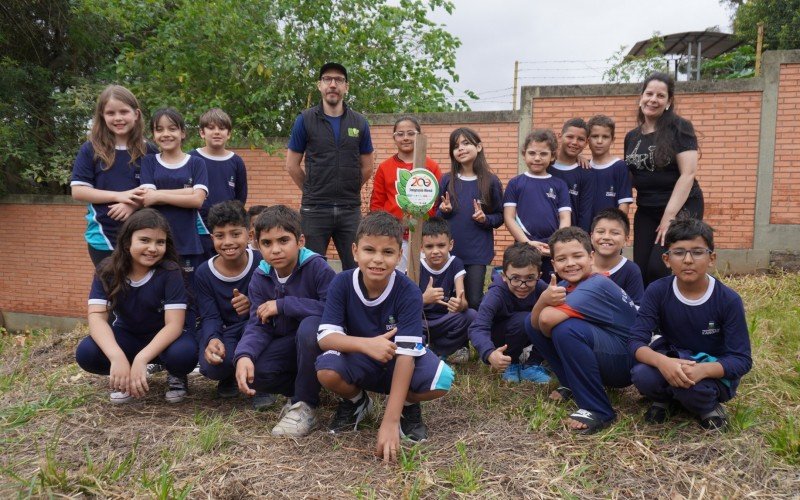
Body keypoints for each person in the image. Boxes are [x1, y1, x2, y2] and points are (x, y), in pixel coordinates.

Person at [311, 211, 454, 461]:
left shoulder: (408, 290)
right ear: (355, 251)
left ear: (399, 256)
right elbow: (326, 338)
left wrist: (389, 422)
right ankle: (357, 401)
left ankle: (406, 407)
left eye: (388, 252)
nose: (377, 260)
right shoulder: (342, 283)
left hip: (397, 361)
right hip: (361, 357)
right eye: (369, 250)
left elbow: (406, 356)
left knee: (441, 379)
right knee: (327, 368)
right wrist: (367, 344)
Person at [629, 217, 752, 430]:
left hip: (709, 370)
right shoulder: (657, 291)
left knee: (694, 391)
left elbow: (741, 360)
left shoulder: (728, 300)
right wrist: (663, 362)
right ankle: (665, 399)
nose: (687, 260)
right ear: (667, 259)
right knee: (642, 375)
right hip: (673, 360)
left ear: (711, 258)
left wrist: (703, 370)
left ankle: (707, 407)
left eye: (697, 252)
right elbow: (635, 342)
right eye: (679, 252)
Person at [75, 209, 198, 403]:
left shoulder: (170, 272)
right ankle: (123, 377)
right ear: (126, 242)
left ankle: (175, 374)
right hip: (128, 336)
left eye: (160, 242)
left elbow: (174, 325)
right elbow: (97, 318)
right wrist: (117, 357)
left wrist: (142, 359)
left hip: (164, 340)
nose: (153, 248)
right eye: (145, 240)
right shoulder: (107, 270)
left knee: (184, 354)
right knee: (87, 352)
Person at [233, 205, 336, 436]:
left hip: (321, 345)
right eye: (267, 243)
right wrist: (244, 355)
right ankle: (302, 388)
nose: (275, 250)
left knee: (310, 326)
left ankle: (304, 404)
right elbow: (257, 324)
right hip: (288, 345)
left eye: (283, 240)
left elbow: (332, 309)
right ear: (257, 245)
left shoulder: (317, 268)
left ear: (300, 241)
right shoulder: (260, 277)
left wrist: (283, 305)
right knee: (255, 370)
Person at [527, 227, 638, 434]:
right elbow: (535, 324)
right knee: (530, 321)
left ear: (591, 256)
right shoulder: (568, 283)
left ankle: (599, 410)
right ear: (553, 264)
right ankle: (571, 384)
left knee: (565, 329)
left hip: (626, 363)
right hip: (608, 350)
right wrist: (544, 306)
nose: (570, 264)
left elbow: (547, 319)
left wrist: (543, 300)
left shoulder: (595, 285)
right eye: (562, 259)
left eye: (577, 256)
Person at [285, 62, 374, 270]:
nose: (333, 84)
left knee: (356, 269)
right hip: (314, 210)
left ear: (346, 87)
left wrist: (349, 187)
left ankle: (352, 303)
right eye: (327, 79)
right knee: (309, 269)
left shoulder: (359, 122)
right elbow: (292, 165)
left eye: (339, 80)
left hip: (349, 210)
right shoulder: (304, 120)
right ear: (319, 85)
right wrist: (312, 189)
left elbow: (367, 167)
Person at [624, 72, 703, 286]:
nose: (653, 99)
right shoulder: (632, 136)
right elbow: (631, 174)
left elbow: (688, 174)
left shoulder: (680, 128)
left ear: (668, 102)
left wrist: (669, 217)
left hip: (680, 206)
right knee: (639, 269)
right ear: (641, 97)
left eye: (660, 96)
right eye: (649, 93)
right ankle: (648, 314)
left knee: (659, 267)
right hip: (647, 208)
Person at [70, 85, 157, 267]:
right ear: (102, 115)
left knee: (143, 293)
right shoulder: (90, 149)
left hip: (144, 237)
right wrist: (119, 196)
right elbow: (78, 191)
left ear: (136, 114)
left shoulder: (149, 150)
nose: (118, 118)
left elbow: (158, 190)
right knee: (113, 292)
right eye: (111, 113)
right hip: (103, 237)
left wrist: (132, 204)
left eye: (124, 111)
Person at [194, 201, 260, 399]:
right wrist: (212, 339)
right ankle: (229, 375)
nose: (228, 242)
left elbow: (274, 300)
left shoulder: (262, 262)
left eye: (235, 234)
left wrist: (252, 305)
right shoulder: (204, 273)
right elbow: (209, 315)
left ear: (249, 235)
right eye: (220, 236)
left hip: (257, 327)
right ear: (212, 238)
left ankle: (264, 382)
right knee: (213, 366)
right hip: (227, 332)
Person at [437, 127, 503, 310]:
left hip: (477, 254)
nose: (461, 149)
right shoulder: (446, 180)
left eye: (466, 143)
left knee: (474, 300)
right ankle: (454, 337)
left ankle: (475, 334)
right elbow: (434, 217)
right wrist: (444, 211)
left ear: (479, 147)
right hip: (448, 253)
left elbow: (500, 216)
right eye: (456, 146)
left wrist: (485, 219)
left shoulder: (491, 181)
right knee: (449, 301)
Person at [140, 108, 208, 284]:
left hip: (188, 243)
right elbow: (147, 198)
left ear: (182, 132)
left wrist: (159, 195)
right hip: (155, 244)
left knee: (189, 297)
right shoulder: (149, 161)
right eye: (159, 129)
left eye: (172, 128)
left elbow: (197, 200)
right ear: (153, 135)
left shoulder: (196, 163)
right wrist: (187, 192)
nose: (166, 134)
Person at [468, 243, 551, 384]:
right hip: (501, 339)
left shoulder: (542, 288)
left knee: (552, 316)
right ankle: (510, 363)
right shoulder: (495, 294)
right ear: (504, 276)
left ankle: (532, 364)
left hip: (525, 333)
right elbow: (477, 328)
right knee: (524, 320)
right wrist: (489, 353)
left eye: (530, 278)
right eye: (515, 278)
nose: (522, 285)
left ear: (539, 275)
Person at [370, 116, 442, 273]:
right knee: (395, 278)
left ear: (419, 135)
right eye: (400, 134)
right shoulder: (385, 167)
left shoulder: (431, 167)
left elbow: (437, 203)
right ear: (394, 138)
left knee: (422, 279)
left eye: (411, 133)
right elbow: (377, 204)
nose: (406, 138)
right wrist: (386, 229)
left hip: (424, 237)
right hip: (393, 236)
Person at [504, 129, 571, 279]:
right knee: (525, 286)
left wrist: (556, 244)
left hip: (551, 249)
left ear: (552, 156)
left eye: (543, 154)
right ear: (524, 154)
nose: (537, 158)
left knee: (552, 287)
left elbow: (565, 218)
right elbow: (509, 218)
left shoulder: (559, 184)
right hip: (524, 247)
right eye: (532, 153)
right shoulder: (515, 183)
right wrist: (527, 243)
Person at [189, 108, 248, 260]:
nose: (216, 132)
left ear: (228, 134)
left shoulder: (236, 161)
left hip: (227, 230)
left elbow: (240, 198)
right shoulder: (191, 158)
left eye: (222, 128)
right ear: (202, 132)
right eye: (211, 127)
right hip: (198, 228)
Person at [418, 217, 475, 363]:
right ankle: (425, 349)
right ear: (421, 247)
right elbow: (404, 305)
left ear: (450, 245)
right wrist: (424, 299)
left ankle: (436, 351)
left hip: (445, 320)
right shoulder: (416, 265)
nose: (435, 251)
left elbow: (463, 300)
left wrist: (459, 304)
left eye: (441, 245)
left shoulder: (455, 263)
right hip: (421, 322)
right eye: (429, 247)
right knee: (400, 322)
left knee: (470, 315)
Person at [590, 208, 644, 306]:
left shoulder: (631, 270)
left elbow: (636, 308)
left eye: (615, 233)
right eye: (601, 232)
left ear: (626, 240)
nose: (606, 237)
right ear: (592, 237)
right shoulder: (581, 264)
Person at [550, 118, 594, 233]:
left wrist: (580, 242)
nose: (574, 142)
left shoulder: (586, 172)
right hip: (541, 237)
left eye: (580, 139)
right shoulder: (545, 166)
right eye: (570, 137)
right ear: (560, 136)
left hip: (569, 239)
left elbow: (585, 213)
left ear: (586, 143)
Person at [587, 114, 633, 218]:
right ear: (588, 139)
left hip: (609, 230)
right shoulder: (584, 166)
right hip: (585, 230)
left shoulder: (620, 167)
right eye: (595, 136)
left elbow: (623, 205)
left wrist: (617, 227)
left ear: (612, 140)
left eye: (605, 137)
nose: (599, 141)